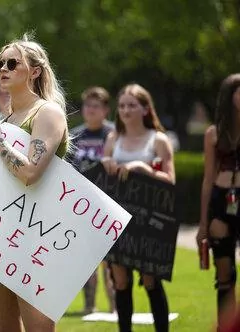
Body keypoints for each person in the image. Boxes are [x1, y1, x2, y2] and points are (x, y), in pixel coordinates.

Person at [0, 33, 69, 332]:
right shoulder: (5, 122)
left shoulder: (47, 113)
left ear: (35, 71)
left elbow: (30, 173)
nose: (3, 68)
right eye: (0, 63)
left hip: (35, 239)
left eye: (12, 62)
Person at [101, 83, 175, 332]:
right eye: (122, 105)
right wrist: (107, 162)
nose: (125, 110)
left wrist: (144, 169)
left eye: (132, 105)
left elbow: (170, 181)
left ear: (145, 109)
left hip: (149, 223)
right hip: (118, 220)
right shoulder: (113, 139)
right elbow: (103, 177)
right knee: (120, 281)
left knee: (150, 279)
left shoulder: (159, 140)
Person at [65, 86, 115, 314]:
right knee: (87, 262)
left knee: (112, 262)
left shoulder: (114, 135)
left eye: (96, 106)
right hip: (82, 207)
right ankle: (89, 307)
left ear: (105, 110)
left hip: (111, 206)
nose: (91, 110)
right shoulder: (75, 135)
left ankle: (116, 307)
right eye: (87, 105)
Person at [197, 73, 240, 330]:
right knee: (225, 273)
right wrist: (202, 224)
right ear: (229, 96)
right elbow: (207, 179)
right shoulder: (213, 134)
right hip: (220, 202)